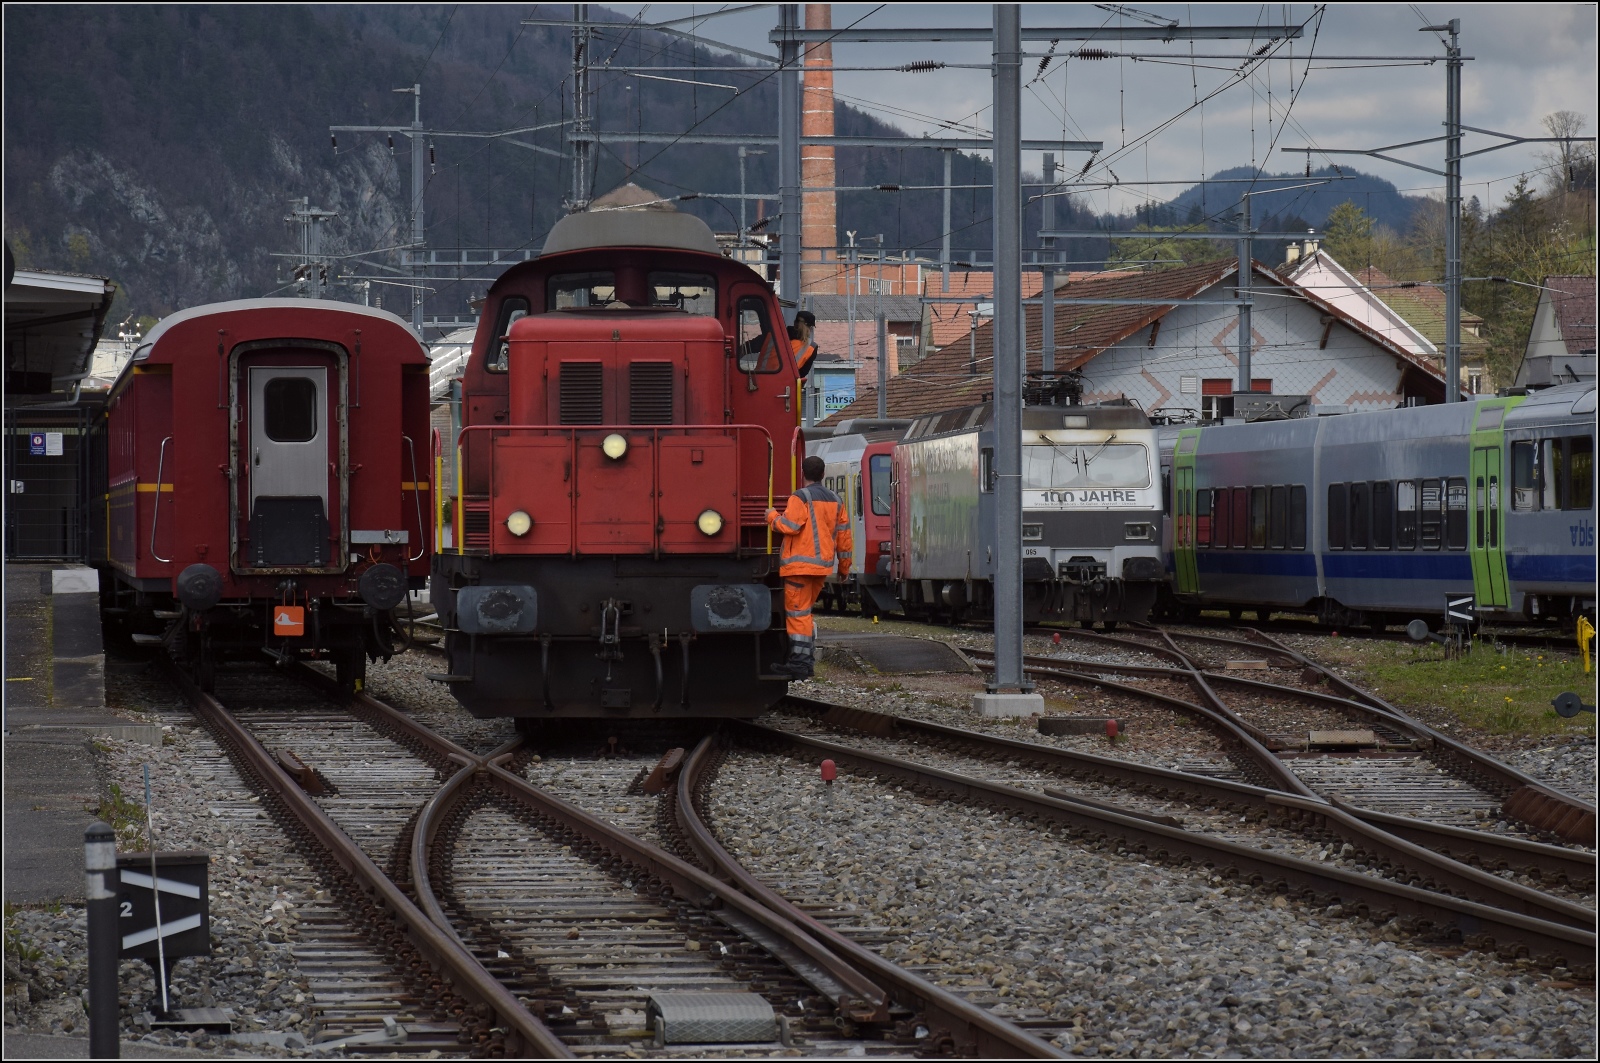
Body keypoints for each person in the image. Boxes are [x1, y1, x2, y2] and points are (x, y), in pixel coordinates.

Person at [765, 454, 852, 679]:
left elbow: (790, 525)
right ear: (823, 474)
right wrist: (844, 568)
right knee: (805, 613)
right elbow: (844, 538)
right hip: (821, 568)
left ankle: (800, 664)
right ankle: (805, 661)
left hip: (800, 567)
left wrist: (772, 516)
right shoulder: (836, 500)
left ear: (802, 473)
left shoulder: (800, 497)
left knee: (798, 615)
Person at [790, 310, 818, 377]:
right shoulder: (811, 347)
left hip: (762, 379)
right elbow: (802, 373)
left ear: (794, 322)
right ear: (809, 328)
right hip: (785, 383)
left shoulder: (775, 336)